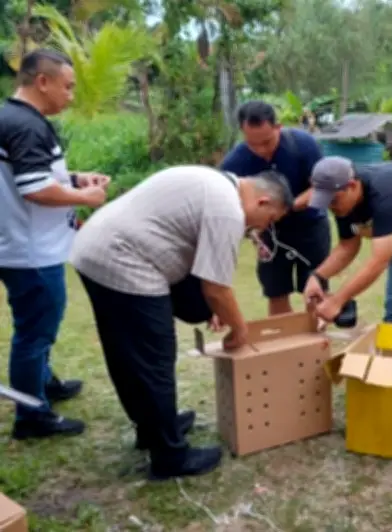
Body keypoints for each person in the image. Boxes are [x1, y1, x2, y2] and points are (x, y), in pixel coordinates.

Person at [69, 166, 294, 480]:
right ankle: (170, 456)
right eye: (269, 221)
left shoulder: (215, 181)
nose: (261, 229)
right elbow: (216, 288)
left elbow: (201, 279)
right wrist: (239, 329)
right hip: (124, 260)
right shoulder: (227, 209)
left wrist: (210, 308)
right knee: (153, 359)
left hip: (97, 247)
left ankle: (153, 428)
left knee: (127, 353)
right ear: (263, 202)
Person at [0, 49, 110, 440]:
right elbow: (33, 189)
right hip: (31, 251)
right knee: (35, 332)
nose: (71, 95)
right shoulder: (27, 125)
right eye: (68, 86)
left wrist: (75, 178)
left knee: (37, 325)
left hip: (18, 244)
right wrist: (86, 199)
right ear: (42, 82)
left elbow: (27, 175)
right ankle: (31, 415)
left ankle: (43, 383)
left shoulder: (12, 118)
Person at [221, 101, 330, 316]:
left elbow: (322, 187)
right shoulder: (236, 160)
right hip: (269, 233)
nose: (261, 150)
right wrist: (253, 233)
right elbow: (228, 202)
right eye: (253, 144)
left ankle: (315, 339)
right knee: (275, 290)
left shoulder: (304, 145)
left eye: (267, 141)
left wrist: (286, 207)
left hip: (310, 225)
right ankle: (284, 342)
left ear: (278, 127)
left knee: (314, 287)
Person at [302, 157, 392, 325]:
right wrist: (317, 277)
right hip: (389, 236)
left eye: (333, 201)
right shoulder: (344, 201)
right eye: (326, 202)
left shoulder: (384, 195)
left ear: (352, 186)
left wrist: (338, 300)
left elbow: (379, 260)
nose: (331, 207)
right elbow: (348, 245)